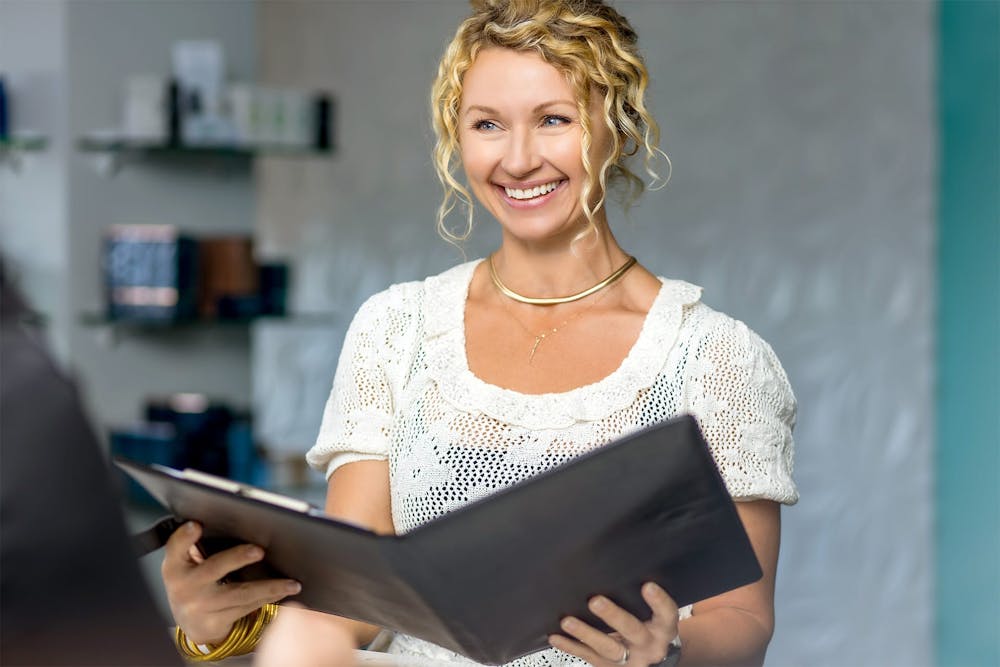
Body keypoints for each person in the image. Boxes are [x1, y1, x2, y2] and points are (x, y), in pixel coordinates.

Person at [162, 1, 798, 666]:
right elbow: (351, 604)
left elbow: (743, 614)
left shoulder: (715, 357)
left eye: (554, 120)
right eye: (488, 124)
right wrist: (218, 625)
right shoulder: (396, 329)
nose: (518, 160)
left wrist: (666, 650)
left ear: (618, 127)